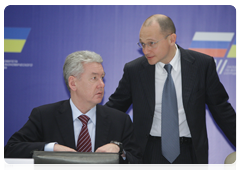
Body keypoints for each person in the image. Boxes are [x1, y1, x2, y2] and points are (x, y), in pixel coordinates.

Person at [105, 14, 238, 170]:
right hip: (148, 153)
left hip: (190, 153)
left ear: (171, 39)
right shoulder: (134, 70)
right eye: (142, 44)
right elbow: (114, 110)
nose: (146, 50)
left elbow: (222, 109)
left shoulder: (202, 65)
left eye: (151, 43)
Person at [4, 50, 143, 170]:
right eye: (94, 78)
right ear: (73, 83)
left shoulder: (119, 120)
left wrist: (121, 152)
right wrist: (52, 148)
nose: (101, 84)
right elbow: (10, 150)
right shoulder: (44, 116)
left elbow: (138, 163)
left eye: (102, 78)